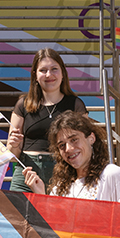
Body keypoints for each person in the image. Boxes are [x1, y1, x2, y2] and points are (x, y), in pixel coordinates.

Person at [8, 49, 88, 192]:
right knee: (15, 213)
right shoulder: (22, 104)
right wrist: (13, 145)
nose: (49, 75)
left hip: (62, 171)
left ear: (63, 73)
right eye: (43, 70)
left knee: (58, 214)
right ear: (35, 75)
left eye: (54, 69)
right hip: (26, 172)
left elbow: (85, 145)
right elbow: (12, 155)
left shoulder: (76, 105)